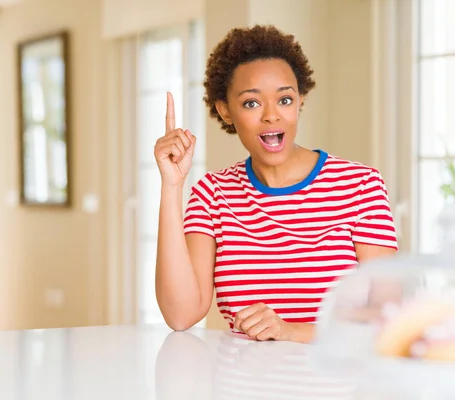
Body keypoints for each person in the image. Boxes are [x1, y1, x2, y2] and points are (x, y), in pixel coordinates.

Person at [154, 25, 398, 344]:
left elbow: (389, 319)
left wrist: (290, 331)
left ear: (300, 102)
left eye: (284, 99)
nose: (272, 115)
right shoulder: (212, 193)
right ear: (225, 110)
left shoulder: (361, 186)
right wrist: (172, 186)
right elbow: (180, 314)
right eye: (252, 103)